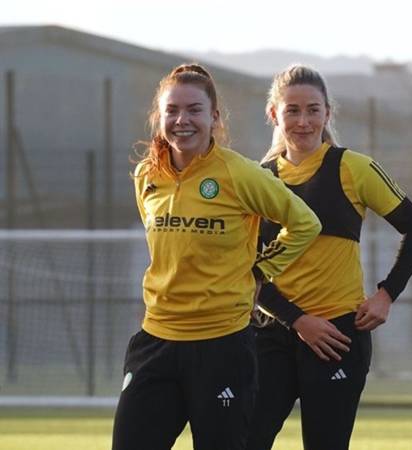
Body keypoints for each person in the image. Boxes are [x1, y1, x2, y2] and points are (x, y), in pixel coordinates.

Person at [112, 63, 321, 450]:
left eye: (194, 109)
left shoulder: (240, 174)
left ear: (214, 117)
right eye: (172, 110)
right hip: (156, 339)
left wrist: (261, 270)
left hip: (222, 345)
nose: (182, 120)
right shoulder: (146, 176)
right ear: (159, 117)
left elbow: (305, 222)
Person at [245, 64, 412, 450]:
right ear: (273, 115)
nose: (303, 120)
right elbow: (248, 273)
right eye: (292, 110)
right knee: (244, 440)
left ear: (328, 113)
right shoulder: (256, 180)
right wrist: (297, 320)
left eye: (313, 109)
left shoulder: (354, 168)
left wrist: (386, 294)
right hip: (272, 334)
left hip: (337, 337)